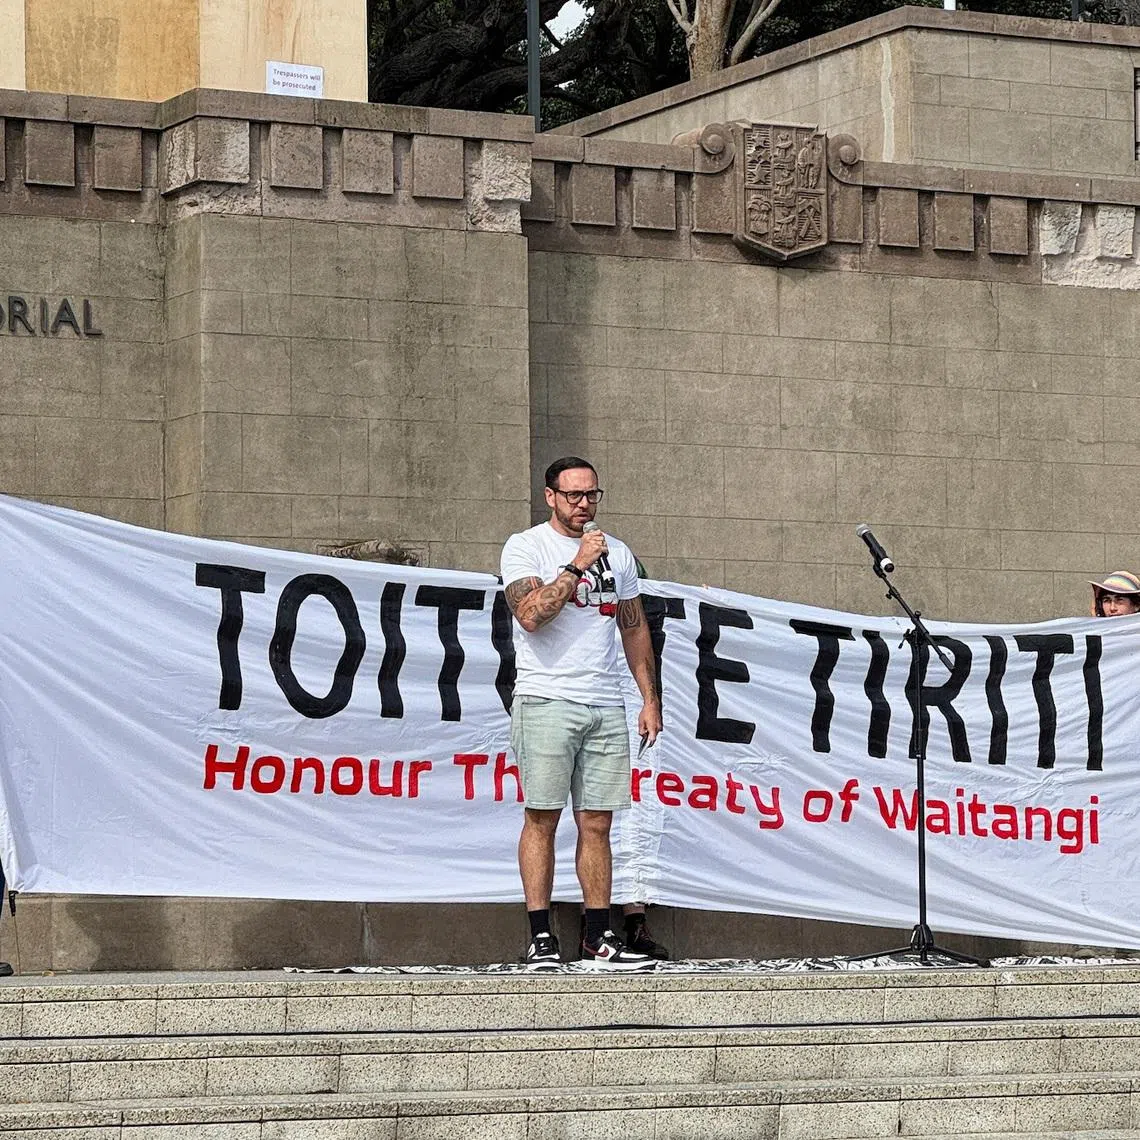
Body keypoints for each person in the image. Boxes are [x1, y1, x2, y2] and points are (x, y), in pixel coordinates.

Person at [501, 456, 662, 970]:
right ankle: (540, 934)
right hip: (547, 697)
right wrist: (576, 567)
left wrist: (649, 698)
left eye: (591, 495)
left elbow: (633, 626)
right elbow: (530, 617)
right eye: (572, 496)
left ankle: (598, 934)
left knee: (598, 822)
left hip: (603, 700)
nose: (583, 505)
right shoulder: (526, 546)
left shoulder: (619, 554)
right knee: (542, 816)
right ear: (550, 496)